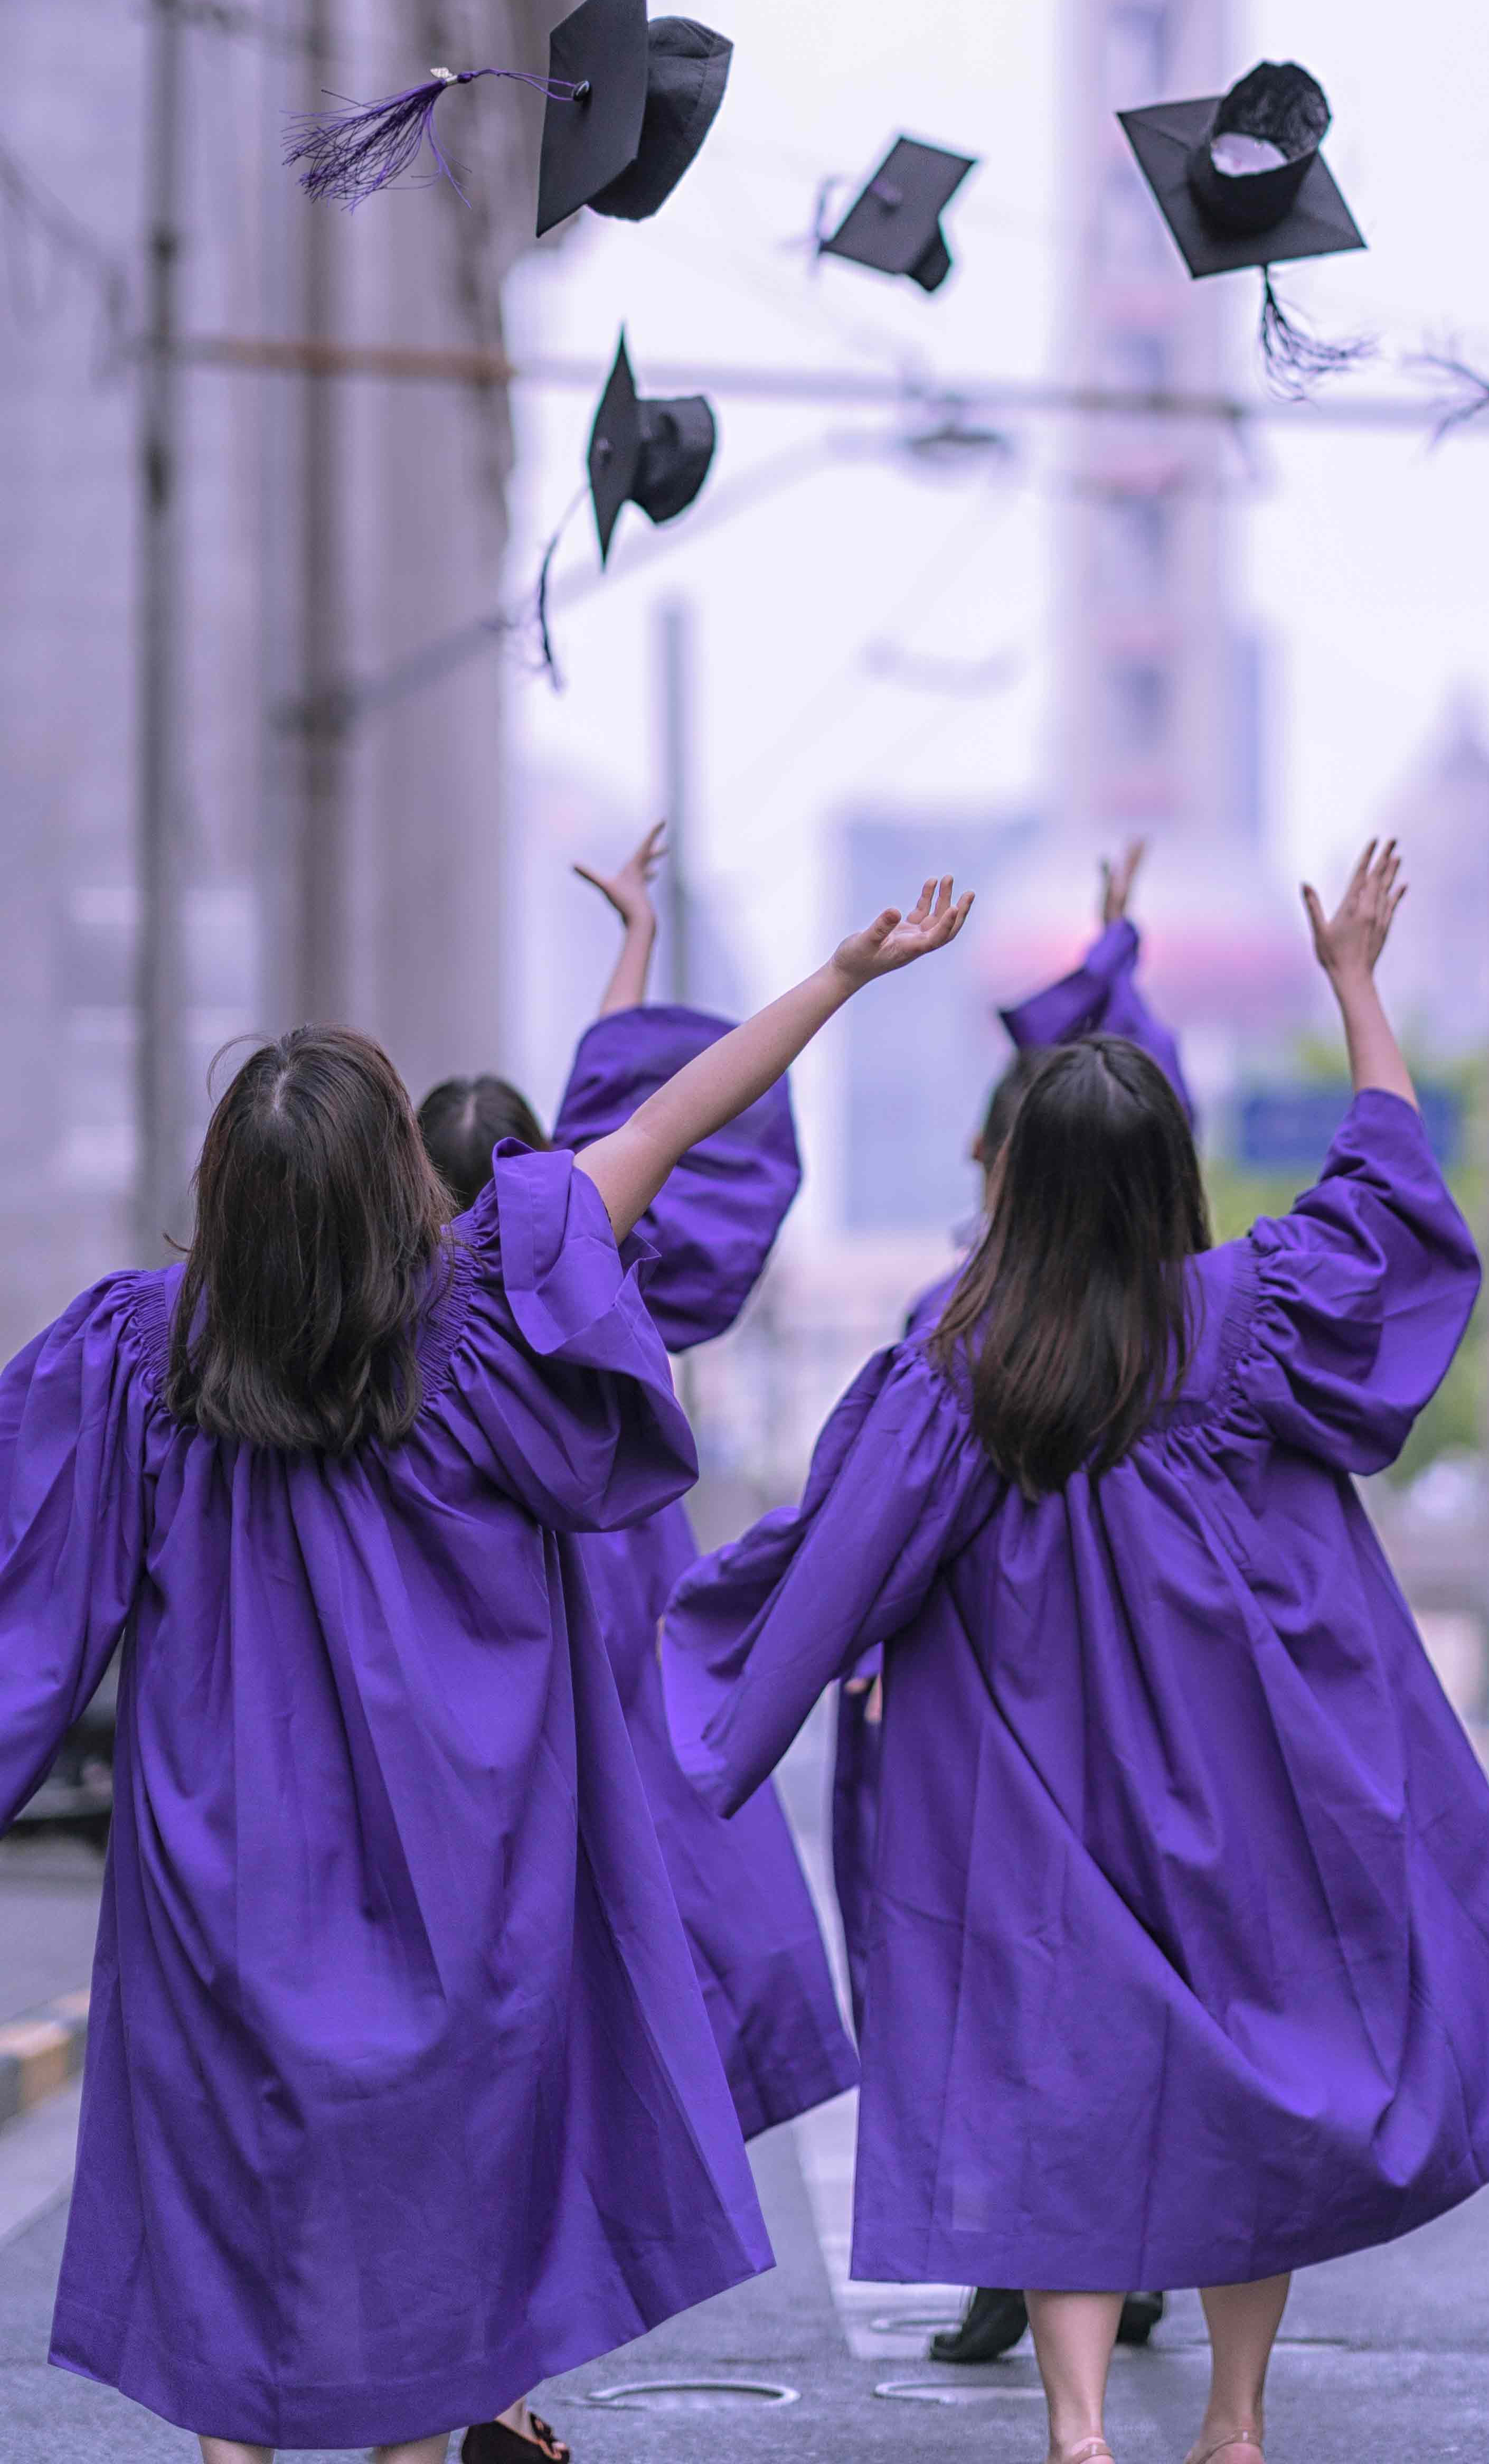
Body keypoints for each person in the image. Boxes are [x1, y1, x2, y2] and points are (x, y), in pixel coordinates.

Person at [0, 876, 968, 2464]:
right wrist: (845, 974)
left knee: (234, 2204)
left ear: (230, 1197)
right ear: (397, 1183)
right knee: (444, 2212)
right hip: (464, 1864)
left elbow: (18, 1587)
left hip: (222, 1872)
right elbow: (673, 1118)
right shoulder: (490, 1325)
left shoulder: (140, 1360)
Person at [664, 841, 1489, 2464]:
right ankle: (1232, 2425)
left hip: (1026, 1802)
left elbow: (826, 1567)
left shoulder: (956, 1369)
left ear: (1011, 1185)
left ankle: (1081, 2432)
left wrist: (683, 1696)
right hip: (1245, 1778)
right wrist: (1358, 980)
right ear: (1173, 1178)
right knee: (1267, 2061)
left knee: (1055, 2084)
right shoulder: (1254, 1315)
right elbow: (1390, 1202)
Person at [418, 825, 860, 2464]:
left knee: (480, 2052)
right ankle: (504, 2384)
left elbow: (610, 1120)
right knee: (598, 2035)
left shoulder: (394, 1328)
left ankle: (485, 2388)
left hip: (468, 1715)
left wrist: (633, 944)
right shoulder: (590, 1274)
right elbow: (646, 1126)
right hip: (612, 1694)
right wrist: (662, 951)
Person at [891, 840, 1184, 2372]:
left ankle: (1065, 2296)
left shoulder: (956, 1345)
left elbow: (860, 1532)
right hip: (1154, 1728)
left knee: (1034, 2014)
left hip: (1008, 1730)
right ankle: (1100, 2281)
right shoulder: (1220, 1336)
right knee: (1112, 2012)